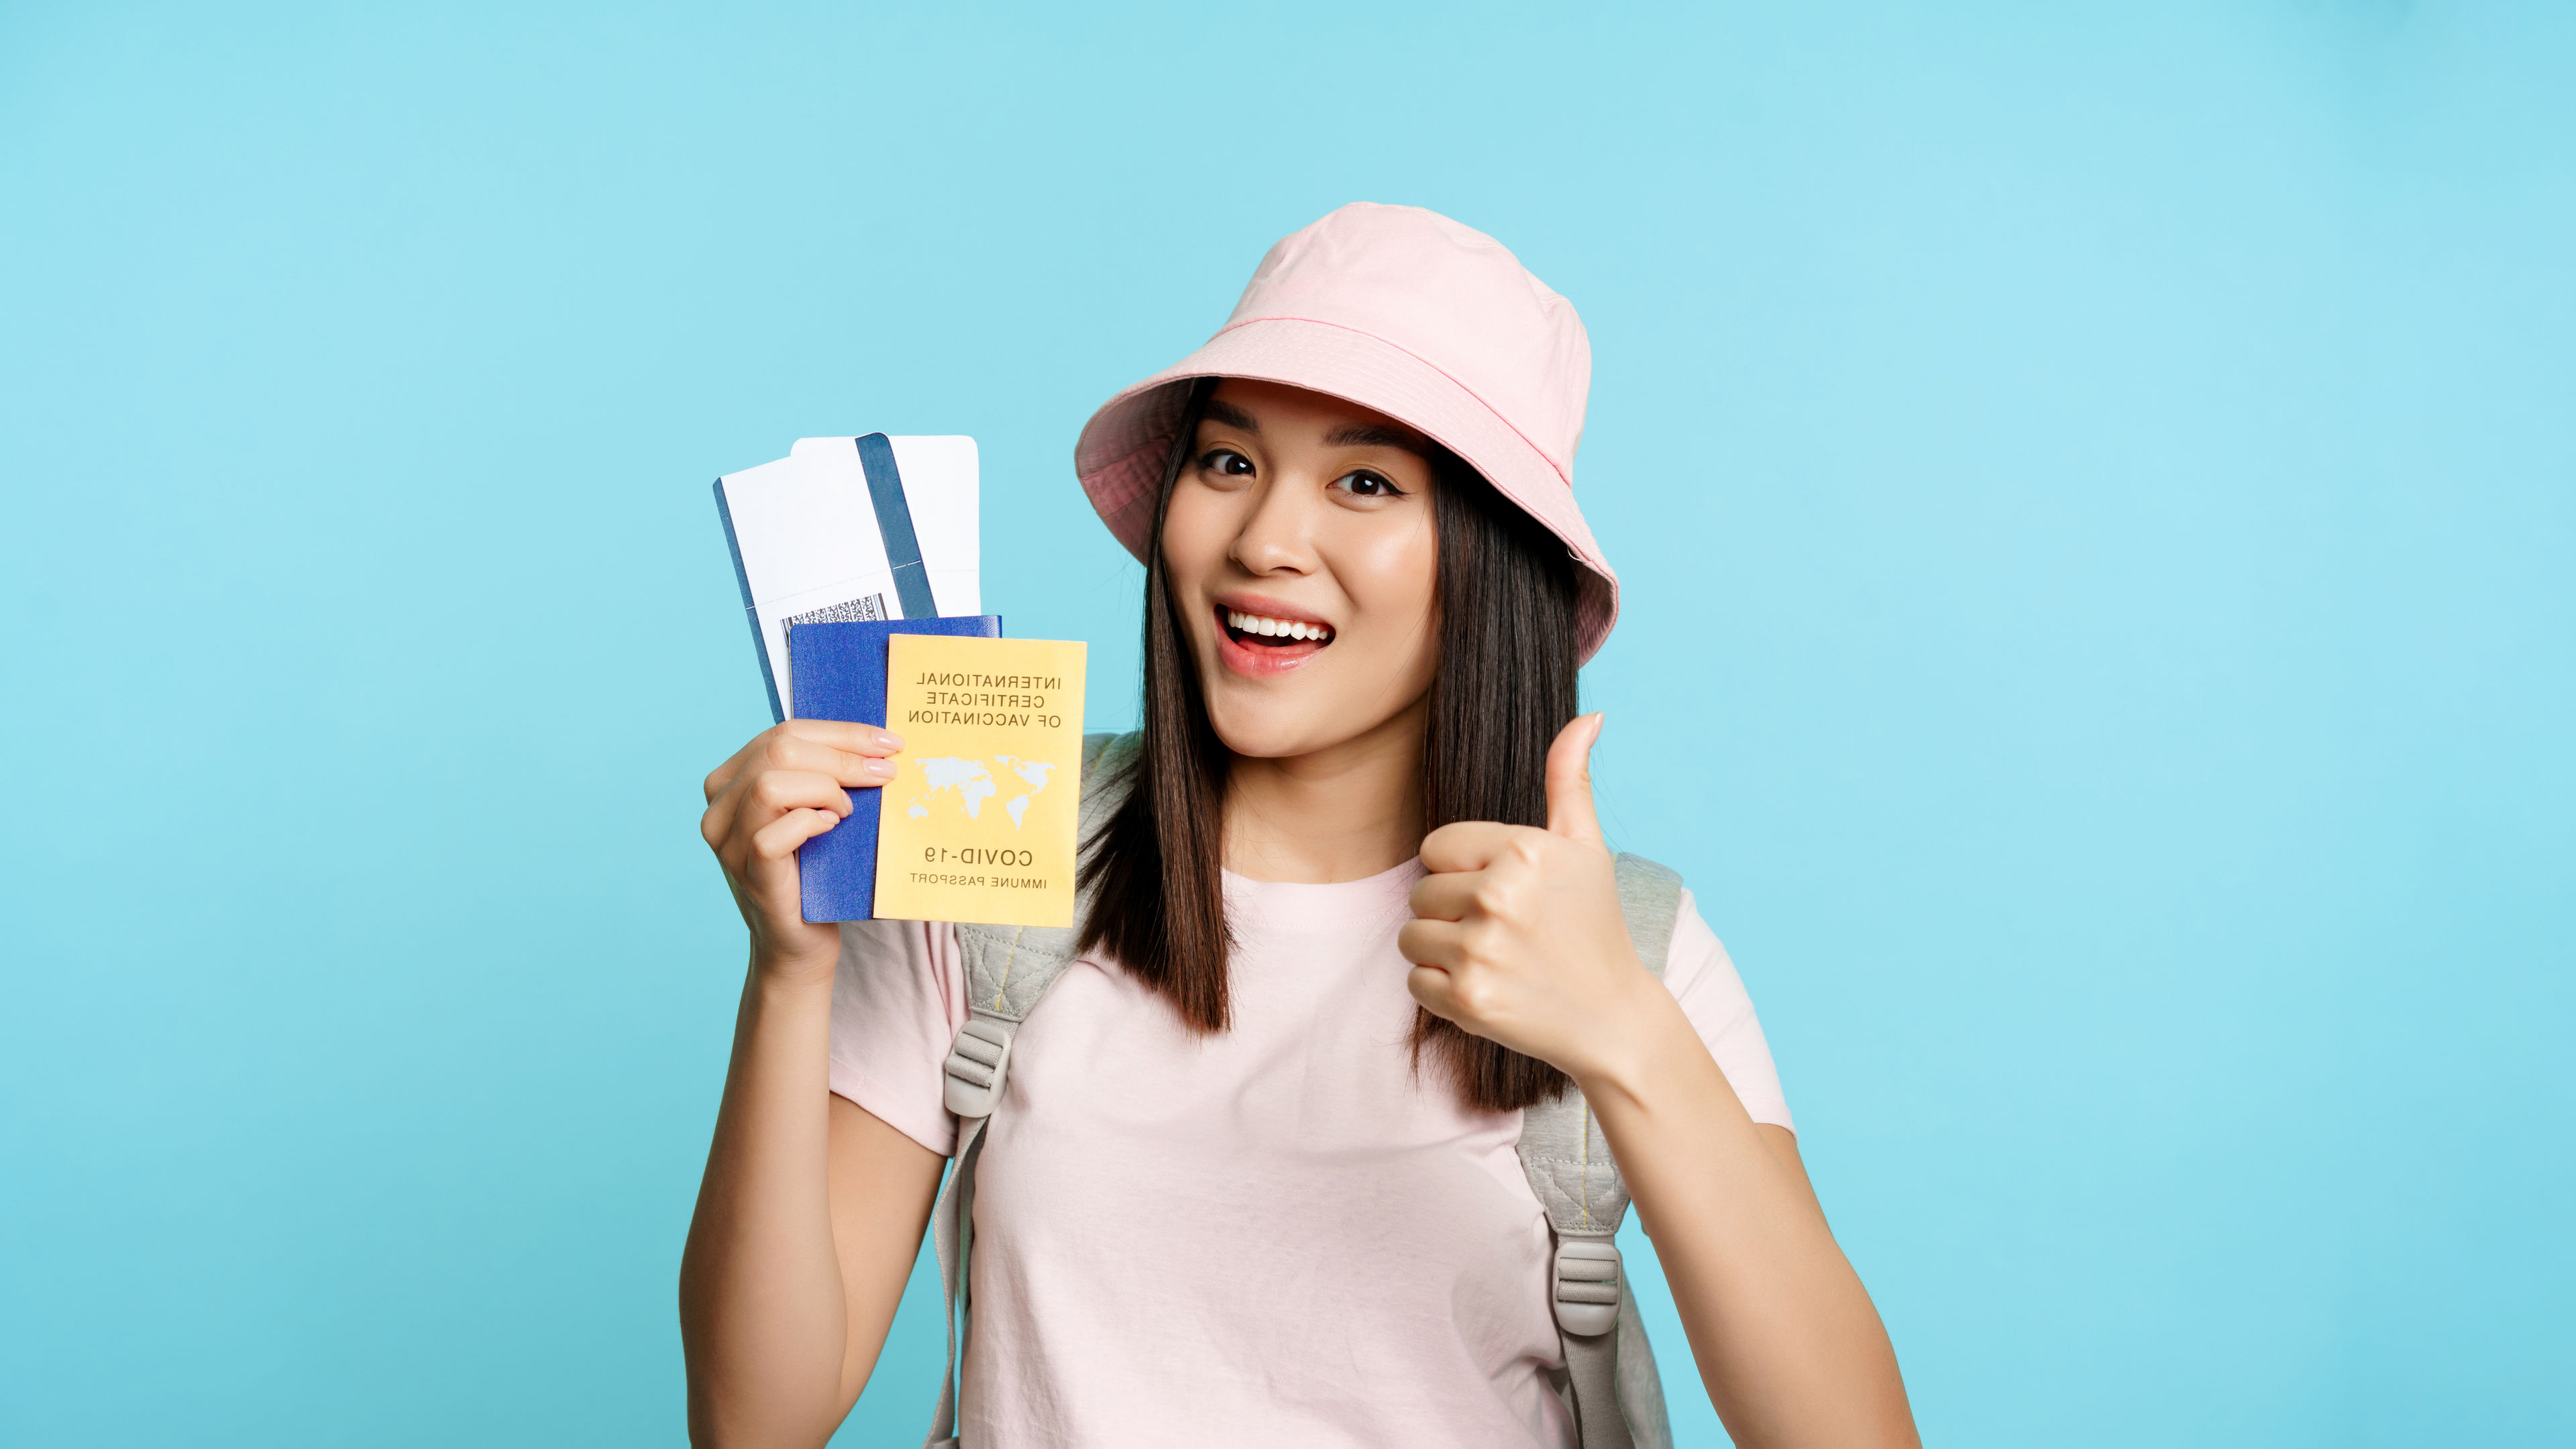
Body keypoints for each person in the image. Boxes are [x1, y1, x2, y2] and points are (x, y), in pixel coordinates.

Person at [681, 203, 1919, 1448]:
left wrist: (1623, 1034)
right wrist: (789, 976)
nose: (1266, 539)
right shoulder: (1001, 849)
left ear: (1488, 563)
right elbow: (755, 1423)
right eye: (1227, 462)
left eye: (1367, 481)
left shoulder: (1628, 942)